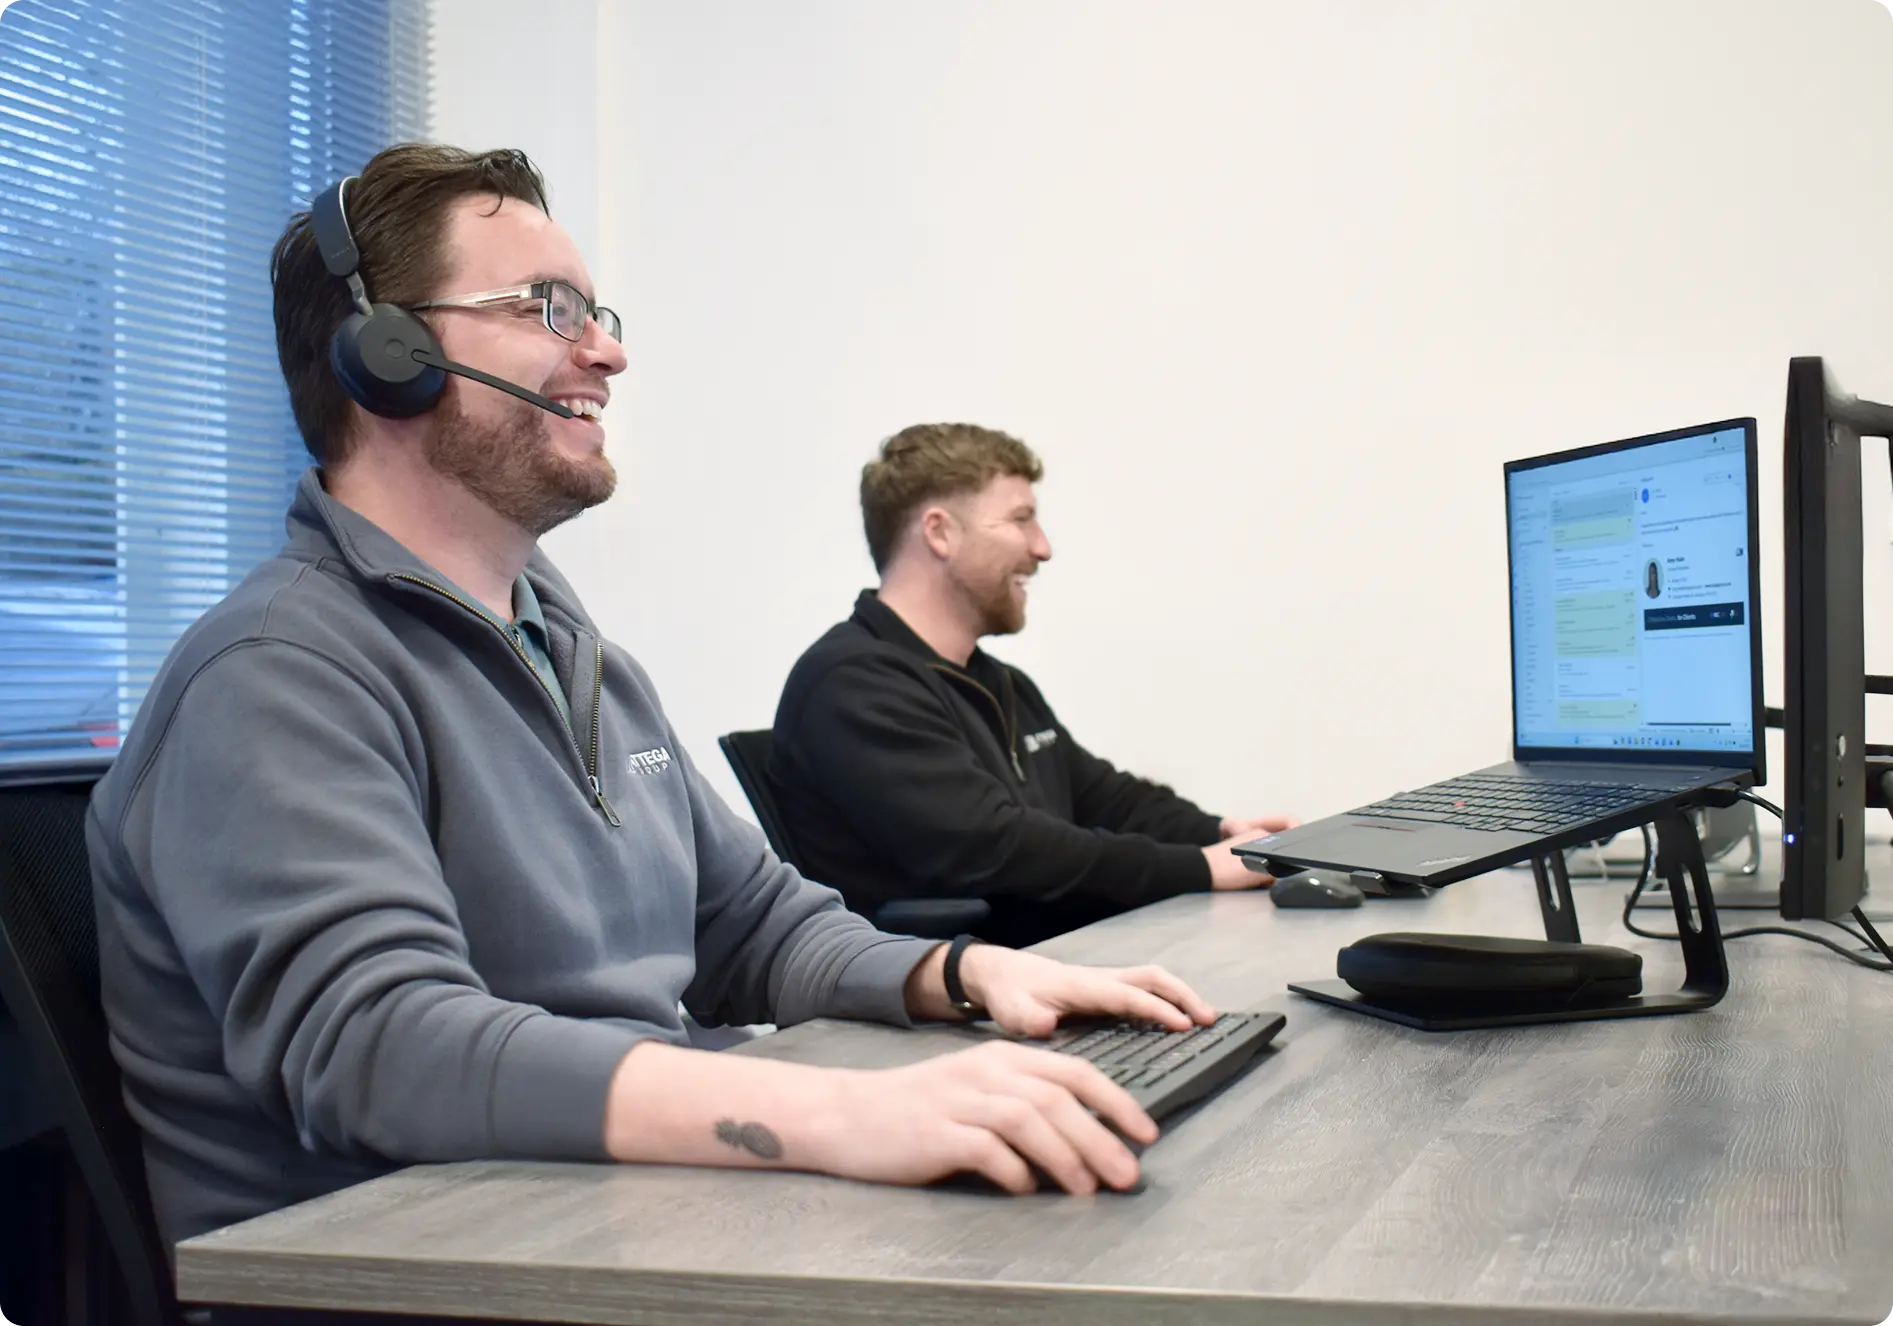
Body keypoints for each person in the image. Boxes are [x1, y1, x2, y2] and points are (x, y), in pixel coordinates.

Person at [85, 146, 1221, 1247]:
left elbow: (753, 927)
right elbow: (382, 1046)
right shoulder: (277, 673)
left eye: (597, 315)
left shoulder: (577, 653)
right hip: (423, 1268)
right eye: (548, 307)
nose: (607, 356)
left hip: (605, 1225)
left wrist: (967, 977)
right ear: (386, 353)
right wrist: (841, 1115)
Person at [771, 424, 1295, 949]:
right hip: (940, 1010)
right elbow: (995, 848)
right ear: (940, 532)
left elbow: (1105, 798)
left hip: (1048, 968)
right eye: (1021, 520)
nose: (1042, 548)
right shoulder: (852, 685)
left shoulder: (996, 682)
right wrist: (1199, 868)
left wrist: (1223, 834)